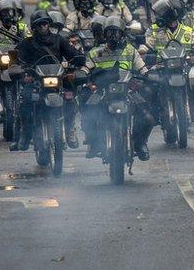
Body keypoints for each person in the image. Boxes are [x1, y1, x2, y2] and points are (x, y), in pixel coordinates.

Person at [80, 17, 154, 160]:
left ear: (123, 34)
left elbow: (143, 69)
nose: (113, 37)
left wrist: (149, 76)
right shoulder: (96, 52)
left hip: (127, 89)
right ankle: (94, 143)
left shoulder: (131, 51)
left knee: (147, 118)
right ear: (104, 35)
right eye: (109, 33)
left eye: (116, 33)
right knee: (88, 111)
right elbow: (85, 68)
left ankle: (140, 144)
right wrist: (81, 75)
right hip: (103, 90)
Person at [13, 10, 85, 151]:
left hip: (58, 78)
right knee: (25, 100)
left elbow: (72, 54)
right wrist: (21, 71)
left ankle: (70, 130)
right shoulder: (27, 43)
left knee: (70, 97)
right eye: (39, 24)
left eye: (44, 23)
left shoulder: (59, 39)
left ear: (49, 24)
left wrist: (78, 60)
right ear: (34, 27)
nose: (42, 27)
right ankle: (25, 135)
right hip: (35, 79)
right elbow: (16, 59)